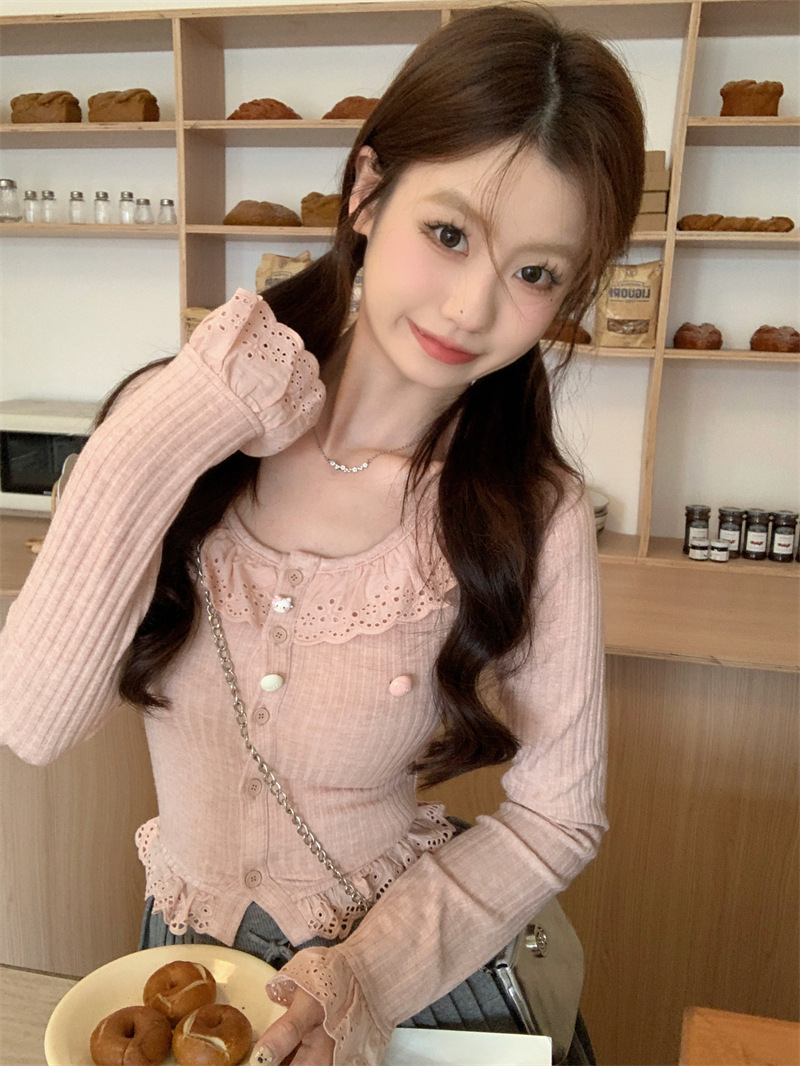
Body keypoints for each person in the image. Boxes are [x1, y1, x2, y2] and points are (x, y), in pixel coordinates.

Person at [0, 5, 644, 1064]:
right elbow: (31, 719)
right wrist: (165, 419)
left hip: (402, 996)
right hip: (184, 977)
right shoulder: (191, 424)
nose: (471, 307)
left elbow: (559, 813)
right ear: (367, 192)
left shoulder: (528, 509)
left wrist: (367, 976)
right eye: (449, 235)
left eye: (534, 273)